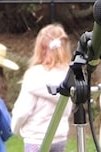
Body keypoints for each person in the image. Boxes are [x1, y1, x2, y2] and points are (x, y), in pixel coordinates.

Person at [11, 24, 73, 152]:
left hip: (36, 139)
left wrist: (15, 127)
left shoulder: (34, 75)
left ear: (40, 48)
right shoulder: (69, 75)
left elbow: (23, 110)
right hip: (59, 137)